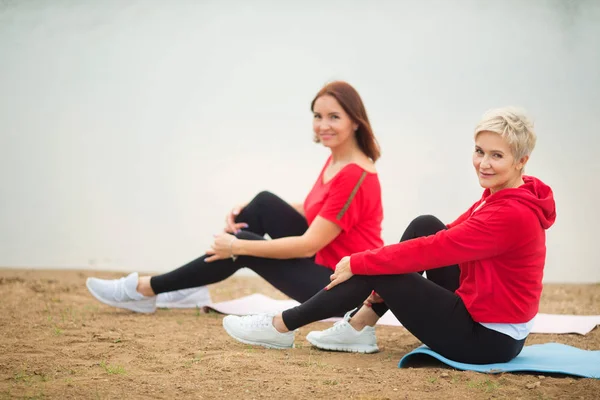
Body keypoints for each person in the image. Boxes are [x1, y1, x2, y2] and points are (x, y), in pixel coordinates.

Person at [222, 107, 557, 364]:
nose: (483, 163)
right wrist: (373, 265)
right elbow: (446, 234)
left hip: (487, 339)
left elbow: (439, 249)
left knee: (383, 267)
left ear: (521, 161)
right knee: (424, 224)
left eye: (496, 155)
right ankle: (359, 326)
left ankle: (281, 326)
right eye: (479, 151)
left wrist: (359, 261)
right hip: (484, 314)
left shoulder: (512, 213)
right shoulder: (507, 193)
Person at [86, 81, 386, 317]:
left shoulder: (354, 175)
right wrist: (245, 213)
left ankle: (145, 289)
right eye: (318, 116)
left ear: (355, 121)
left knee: (244, 246)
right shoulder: (339, 160)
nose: (323, 125)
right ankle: (191, 286)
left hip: (346, 289)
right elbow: (319, 210)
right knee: (263, 204)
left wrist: (237, 245)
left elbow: (309, 244)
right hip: (331, 267)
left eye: (334, 117)